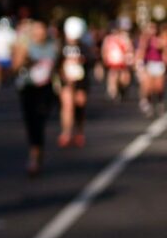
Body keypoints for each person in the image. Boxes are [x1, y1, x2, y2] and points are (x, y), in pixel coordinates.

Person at [12, 19, 58, 176]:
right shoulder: (25, 46)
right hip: (28, 88)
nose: (39, 33)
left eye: (42, 29)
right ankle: (35, 154)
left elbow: (59, 65)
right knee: (32, 122)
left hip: (46, 88)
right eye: (36, 30)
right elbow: (14, 67)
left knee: (41, 118)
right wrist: (25, 59)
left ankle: (37, 152)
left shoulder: (53, 45)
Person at [57, 16, 92, 147]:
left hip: (81, 81)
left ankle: (79, 131)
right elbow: (56, 63)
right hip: (66, 81)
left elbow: (91, 61)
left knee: (80, 105)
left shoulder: (84, 47)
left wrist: (82, 60)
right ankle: (66, 133)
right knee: (67, 106)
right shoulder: (61, 45)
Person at [134, 20, 165, 117]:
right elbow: (140, 51)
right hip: (149, 64)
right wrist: (139, 64)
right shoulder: (144, 39)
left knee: (159, 87)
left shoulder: (161, 38)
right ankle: (148, 103)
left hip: (159, 64)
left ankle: (160, 102)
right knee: (148, 87)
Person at [100, 24, 134, 102]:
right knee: (113, 76)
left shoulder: (124, 38)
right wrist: (104, 59)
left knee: (124, 79)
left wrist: (129, 59)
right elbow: (104, 49)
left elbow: (129, 49)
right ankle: (113, 92)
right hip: (112, 61)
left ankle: (122, 90)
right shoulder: (108, 39)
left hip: (123, 62)